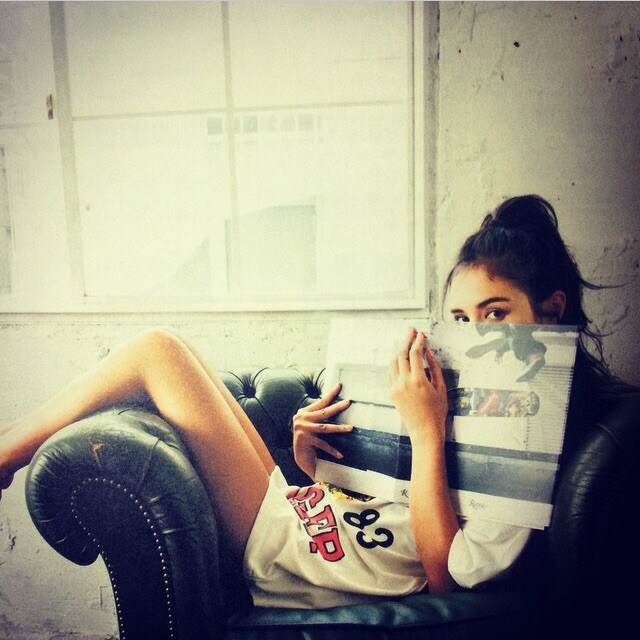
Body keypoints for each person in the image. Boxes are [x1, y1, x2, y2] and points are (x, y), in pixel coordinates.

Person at [0, 194, 622, 609]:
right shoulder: (462, 402)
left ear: (552, 310)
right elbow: (388, 514)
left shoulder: (529, 464)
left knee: (157, 351)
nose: (474, 334)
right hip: (300, 514)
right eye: (460, 318)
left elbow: (443, 578)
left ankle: (5, 452)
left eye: (496, 313)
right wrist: (313, 461)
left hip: (286, 549)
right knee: (173, 350)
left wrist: (426, 433)